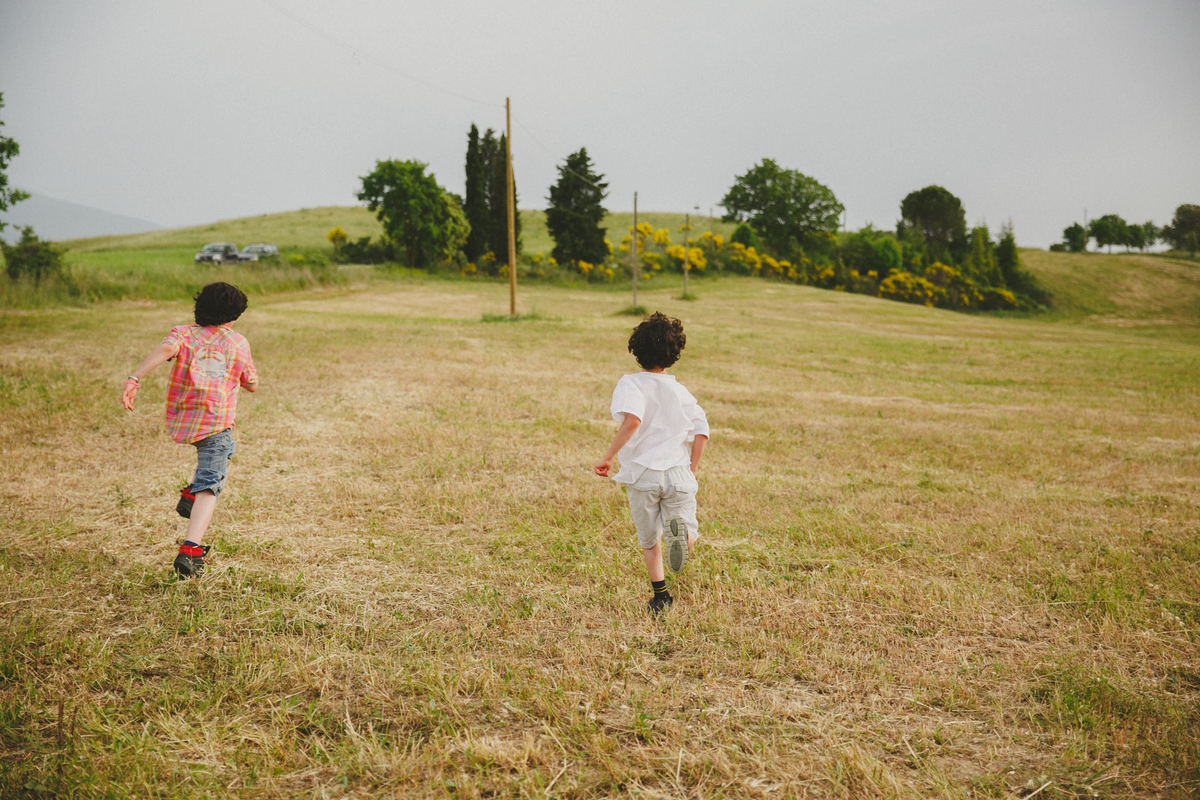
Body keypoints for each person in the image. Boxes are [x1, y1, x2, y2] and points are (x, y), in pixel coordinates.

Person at [121, 282, 258, 578]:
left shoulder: (183, 333)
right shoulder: (237, 343)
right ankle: (191, 549)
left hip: (186, 418)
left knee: (220, 458)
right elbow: (252, 383)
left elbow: (168, 349)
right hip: (216, 422)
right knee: (212, 482)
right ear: (233, 315)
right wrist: (243, 379)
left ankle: (190, 495)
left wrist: (135, 378)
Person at [594, 312, 709, 615]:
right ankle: (684, 538)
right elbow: (702, 431)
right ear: (674, 356)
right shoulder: (680, 390)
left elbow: (632, 420)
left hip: (643, 475)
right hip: (678, 475)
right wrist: (691, 469)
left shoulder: (631, 384)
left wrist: (608, 457)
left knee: (649, 540)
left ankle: (661, 596)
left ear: (636, 350)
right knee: (683, 529)